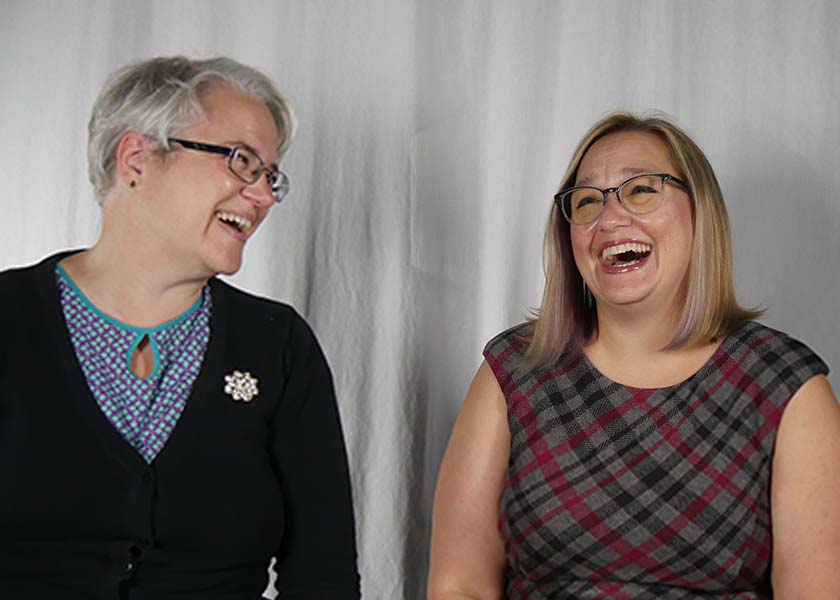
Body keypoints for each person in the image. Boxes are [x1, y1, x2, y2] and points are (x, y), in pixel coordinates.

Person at [428, 113, 840, 598]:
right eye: (585, 202)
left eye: (641, 190)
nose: (609, 219)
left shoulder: (783, 384)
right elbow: (460, 585)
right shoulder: (514, 371)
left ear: (700, 211)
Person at [0, 56, 359, 599]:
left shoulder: (276, 344)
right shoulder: (8, 320)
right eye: (241, 161)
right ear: (137, 158)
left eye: (269, 176)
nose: (262, 197)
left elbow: (323, 577)